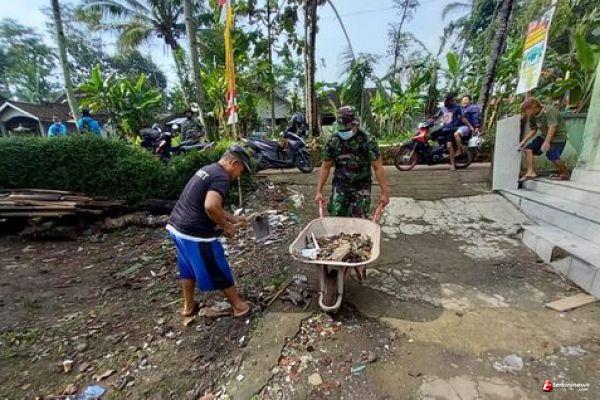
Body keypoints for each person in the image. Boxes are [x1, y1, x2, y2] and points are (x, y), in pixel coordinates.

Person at [167, 144, 254, 318]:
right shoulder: (222, 177)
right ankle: (239, 307)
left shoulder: (209, 169)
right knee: (217, 266)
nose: (239, 175)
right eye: (242, 170)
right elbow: (211, 206)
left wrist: (232, 218)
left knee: (187, 268)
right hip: (194, 233)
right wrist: (226, 226)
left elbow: (208, 205)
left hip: (176, 227)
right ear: (234, 163)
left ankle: (188, 306)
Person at [315, 105, 391, 280]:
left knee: (358, 224)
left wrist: (385, 193)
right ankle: (338, 257)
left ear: (355, 124)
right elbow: (325, 166)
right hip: (340, 187)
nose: (344, 132)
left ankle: (355, 259)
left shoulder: (367, 140)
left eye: (347, 128)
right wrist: (318, 191)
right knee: (336, 223)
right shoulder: (334, 140)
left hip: (360, 188)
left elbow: (378, 167)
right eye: (341, 129)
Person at [519, 97, 569, 181]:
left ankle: (565, 173)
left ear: (533, 106)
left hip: (558, 137)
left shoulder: (549, 111)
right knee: (529, 149)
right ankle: (530, 172)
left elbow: (552, 127)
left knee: (552, 155)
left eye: (526, 110)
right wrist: (524, 141)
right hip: (544, 136)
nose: (525, 113)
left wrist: (546, 142)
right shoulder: (532, 116)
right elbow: (533, 129)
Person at [433, 92, 474, 170]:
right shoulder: (442, 108)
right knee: (431, 136)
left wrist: (470, 126)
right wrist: (428, 122)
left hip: (452, 129)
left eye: (454, 100)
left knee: (449, 146)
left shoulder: (457, 107)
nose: (454, 102)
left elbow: (462, 118)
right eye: (452, 100)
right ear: (448, 101)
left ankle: (452, 165)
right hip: (444, 129)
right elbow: (435, 117)